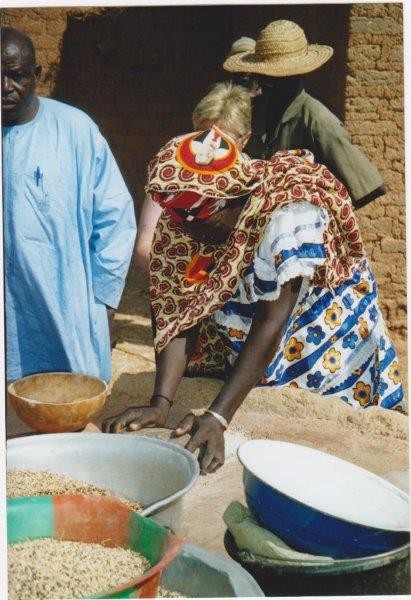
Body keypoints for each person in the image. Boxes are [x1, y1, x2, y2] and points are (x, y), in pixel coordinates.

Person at [103, 82, 404, 474]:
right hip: (259, 328)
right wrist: (160, 404)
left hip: (324, 326)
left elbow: (272, 320)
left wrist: (218, 417)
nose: (192, 235)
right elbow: (178, 305)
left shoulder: (288, 214)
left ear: (230, 199)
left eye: (202, 225)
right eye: (184, 225)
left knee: (325, 453)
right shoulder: (189, 215)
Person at [2, 27, 137, 383]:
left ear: (36, 75)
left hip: (65, 305)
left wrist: (103, 300)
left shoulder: (75, 130)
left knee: (66, 397)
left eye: (17, 76)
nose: (5, 87)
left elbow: (116, 218)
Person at [223, 20, 386, 209]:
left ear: (293, 77)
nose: (263, 83)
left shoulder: (318, 121)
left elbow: (370, 187)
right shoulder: (258, 112)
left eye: (272, 78)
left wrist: (322, 208)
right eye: (261, 75)